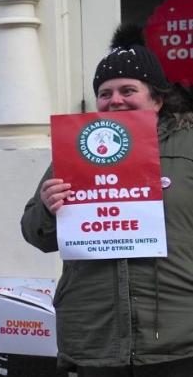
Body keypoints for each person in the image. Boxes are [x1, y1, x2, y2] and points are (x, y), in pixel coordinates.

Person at [20, 24, 193, 376]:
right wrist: (47, 208)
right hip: (94, 336)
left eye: (128, 90)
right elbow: (36, 235)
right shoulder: (76, 151)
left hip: (176, 335)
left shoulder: (187, 146)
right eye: (105, 92)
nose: (115, 99)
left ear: (157, 99)